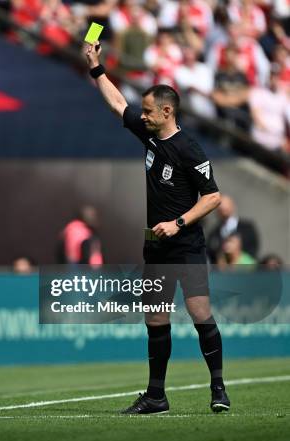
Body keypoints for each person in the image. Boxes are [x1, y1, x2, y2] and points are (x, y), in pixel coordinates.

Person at [82, 41, 229, 414]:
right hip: (156, 248)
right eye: (143, 111)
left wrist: (178, 223)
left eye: (149, 111)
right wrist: (96, 67)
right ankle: (156, 396)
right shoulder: (148, 134)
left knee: (199, 314)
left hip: (187, 246)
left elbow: (212, 197)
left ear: (167, 112)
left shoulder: (190, 150)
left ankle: (218, 388)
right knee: (155, 318)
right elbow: (118, 103)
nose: (142, 116)